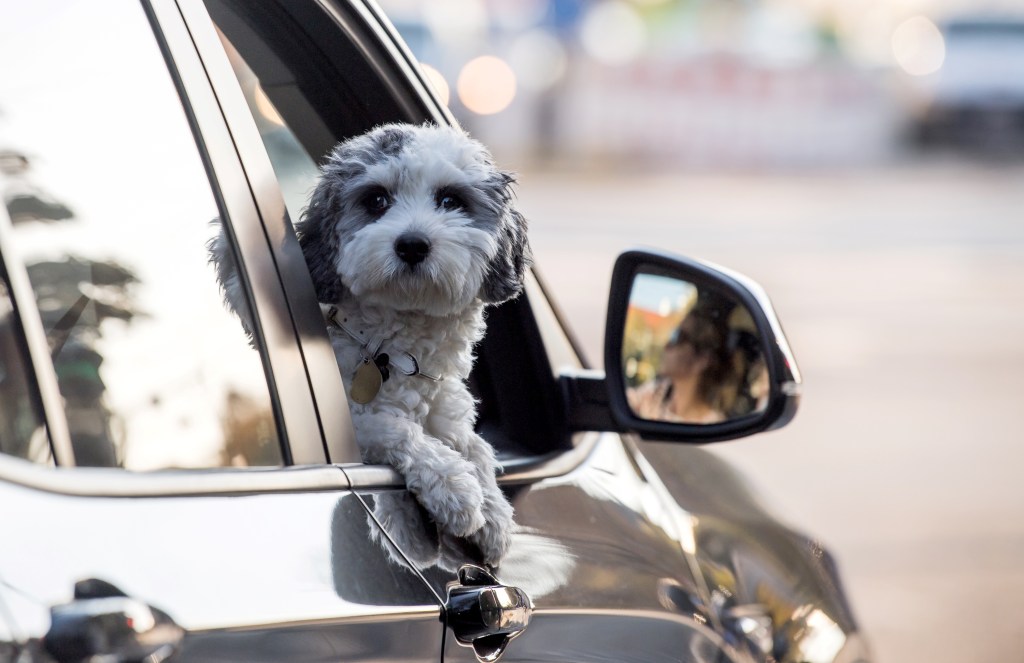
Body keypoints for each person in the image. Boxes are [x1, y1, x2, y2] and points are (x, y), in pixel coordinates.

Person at [628, 301, 738, 424]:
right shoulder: (656, 393)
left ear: (702, 360)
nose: (667, 345)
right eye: (672, 336)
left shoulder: (713, 425)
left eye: (679, 337)